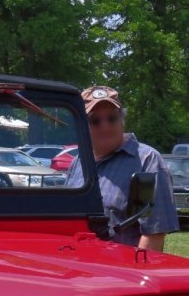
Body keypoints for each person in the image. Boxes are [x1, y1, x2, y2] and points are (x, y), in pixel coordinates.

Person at [67, 86, 178, 251]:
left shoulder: (147, 161)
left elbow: (153, 234)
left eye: (111, 118)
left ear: (122, 120)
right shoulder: (78, 162)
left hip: (120, 272)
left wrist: (136, 274)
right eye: (95, 121)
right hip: (80, 268)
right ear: (83, 125)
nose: (105, 126)